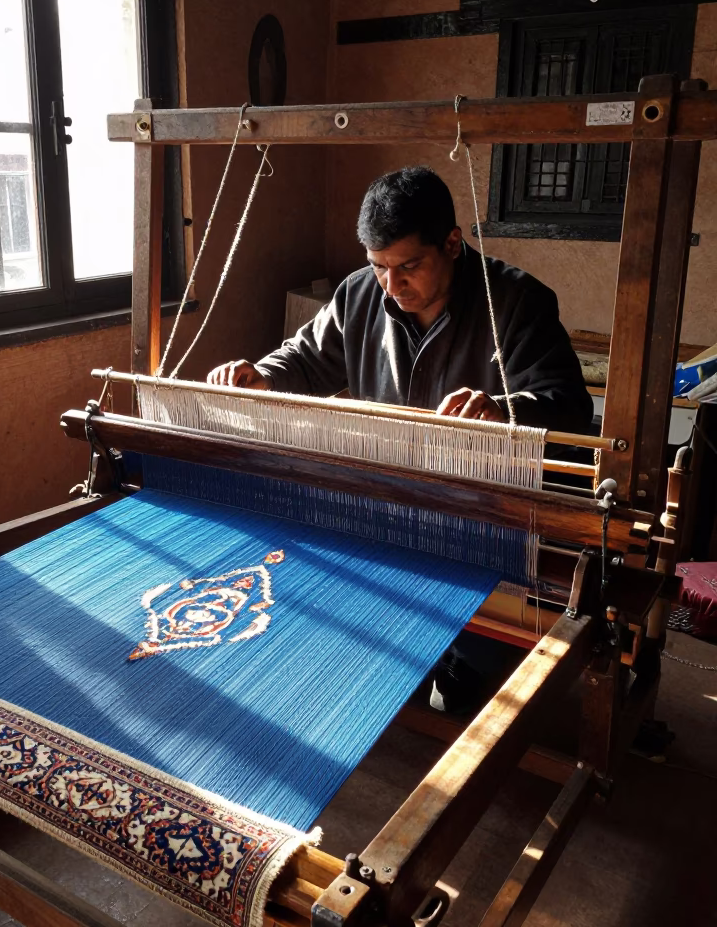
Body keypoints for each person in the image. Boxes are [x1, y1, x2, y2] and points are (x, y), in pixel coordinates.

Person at [208, 166, 593, 712]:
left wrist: (502, 410)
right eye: (379, 266)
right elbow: (308, 358)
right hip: (388, 501)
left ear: (452, 244)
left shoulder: (515, 302)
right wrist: (261, 374)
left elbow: (570, 408)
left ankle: (459, 660)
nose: (391, 285)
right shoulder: (359, 294)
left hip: (479, 513)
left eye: (409, 266)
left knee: (474, 672)